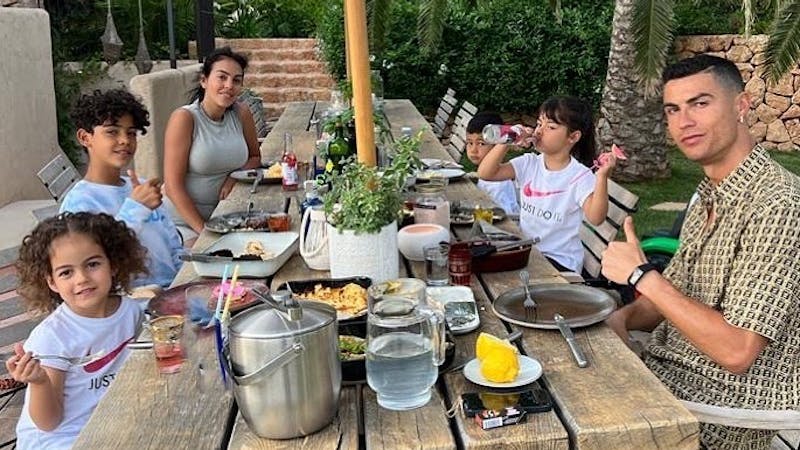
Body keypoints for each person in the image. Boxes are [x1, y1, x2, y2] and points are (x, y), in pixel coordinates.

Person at [601, 54, 800, 449]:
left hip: (721, 415)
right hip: (664, 374)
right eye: (673, 109)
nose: (683, 121)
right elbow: (666, 299)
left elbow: (737, 351)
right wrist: (620, 319)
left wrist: (641, 277)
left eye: (700, 103)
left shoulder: (778, 206)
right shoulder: (710, 193)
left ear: (741, 106)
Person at [6, 212, 148, 449]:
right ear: (51, 282)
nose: (82, 278)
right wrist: (39, 382)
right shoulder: (52, 338)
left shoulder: (131, 312)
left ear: (112, 264)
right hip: (60, 440)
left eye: (92, 264)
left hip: (110, 426)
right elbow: (48, 423)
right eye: (66, 272)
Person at [477, 95, 616, 273]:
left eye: (550, 127)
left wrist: (602, 177)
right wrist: (508, 138)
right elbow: (486, 173)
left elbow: (596, 217)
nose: (540, 131)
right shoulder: (530, 163)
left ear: (573, 137)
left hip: (560, 263)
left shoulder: (579, 176)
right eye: (539, 123)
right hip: (530, 253)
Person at [60, 89, 183, 289]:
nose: (125, 140)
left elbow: (171, 243)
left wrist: (183, 283)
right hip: (133, 306)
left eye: (131, 133)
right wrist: (136, 208)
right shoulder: (80, 204)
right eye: (112, 131)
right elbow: (92, 264)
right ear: (85, 137)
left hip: (173, 294)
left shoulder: (140, 187)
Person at [163, 46, 262, 235]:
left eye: (236, 80)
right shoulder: (185, 118)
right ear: (204, 80)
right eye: (222, 77)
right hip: (184, 223)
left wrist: (235, 176)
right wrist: (204, 232)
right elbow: (172, 186)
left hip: (228, 217)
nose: (229, 85)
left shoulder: (242, 114)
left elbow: (255, 156)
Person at [465, 112, 520, 215]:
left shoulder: (498, 184)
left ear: (497, 146)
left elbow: (506, 216)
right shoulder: (484, 175)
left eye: (481, 144)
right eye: (470, 143)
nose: (473, 150)